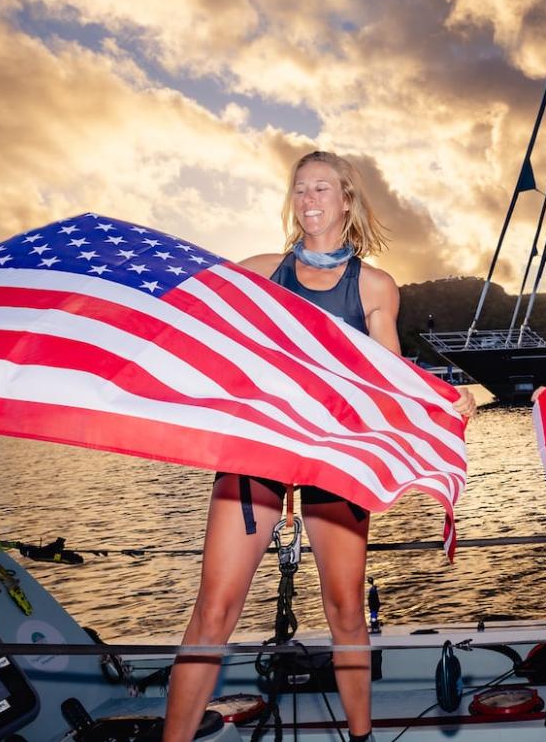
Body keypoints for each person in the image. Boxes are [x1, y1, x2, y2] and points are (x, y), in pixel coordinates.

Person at [163, 151, 475, 742]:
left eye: (322, 189)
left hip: (337, 458)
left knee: (345, 610)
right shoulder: (257, 271)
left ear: (346, 201)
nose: (309, 199)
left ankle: (360, 739)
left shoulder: (375, 286)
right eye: (300, 189)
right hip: (259, 454)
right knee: (213, 610)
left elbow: (389, 376)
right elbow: (196, 309)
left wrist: (445, 399)